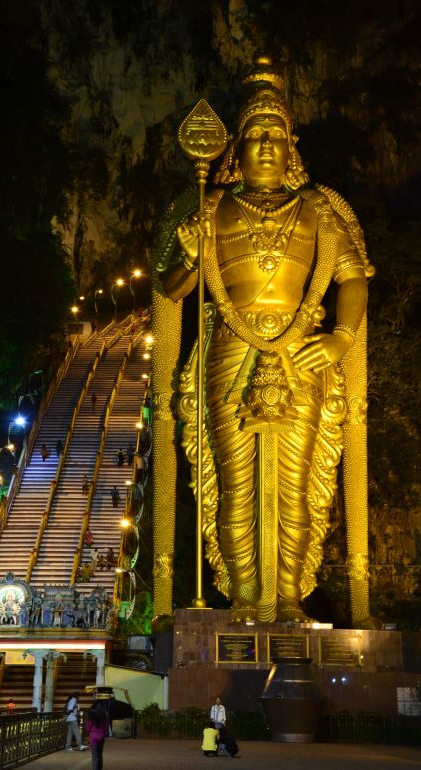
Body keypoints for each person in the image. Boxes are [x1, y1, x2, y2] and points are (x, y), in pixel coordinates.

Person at [156, 53, 376, 626]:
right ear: (236, 146)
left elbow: (353, 278)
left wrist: (341, 337)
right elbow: (173, 288)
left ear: (292, 142)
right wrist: (194, 253)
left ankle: (287, 600)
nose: (264, 146)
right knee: (235, 485)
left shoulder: (321, 211)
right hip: (231, 348)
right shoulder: (212, 207)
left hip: (303, 349)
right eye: (253, 135)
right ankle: (246, 603)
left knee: (296, 483)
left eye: (275, 135)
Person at [85, 700, 109, 770]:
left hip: (93, 736)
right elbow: (106, 726)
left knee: (94, 756)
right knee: (100, 754)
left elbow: (88, 726)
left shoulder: (91, 713)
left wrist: (87, 735)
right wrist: (104, 733)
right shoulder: (105, 714)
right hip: (101, 735)